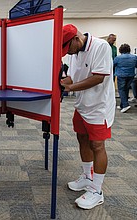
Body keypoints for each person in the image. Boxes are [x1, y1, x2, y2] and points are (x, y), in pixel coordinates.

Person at [60, 24, 116, 210]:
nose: (68, 52)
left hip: (99, 107)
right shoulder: (74, 53)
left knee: (97, 145)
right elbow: (73, 78)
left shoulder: (101, 47)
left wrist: (70, 88)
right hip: (82, 106)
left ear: (76, 39)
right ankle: (87, 176)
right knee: (82, 139)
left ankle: (97, 190)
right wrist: (59, 82)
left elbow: (98, 77)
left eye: (68, 47)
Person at [114, 44, 137, 113]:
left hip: (121, 76)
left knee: (121, 90)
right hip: (131, 75)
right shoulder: (134, 57)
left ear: (120, 50)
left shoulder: (118, 58)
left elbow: (113, 65)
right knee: (126, 90)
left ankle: (125, 105)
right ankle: (122, 105)